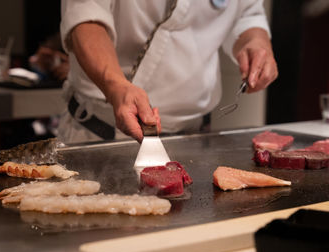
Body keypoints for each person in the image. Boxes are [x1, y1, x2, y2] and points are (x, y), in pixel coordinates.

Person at [58, 0, 278, 144]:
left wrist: (257, 41)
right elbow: (85, 17)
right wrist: (115, 84)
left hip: (195, 136)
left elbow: (248, 14)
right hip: (99, 132)